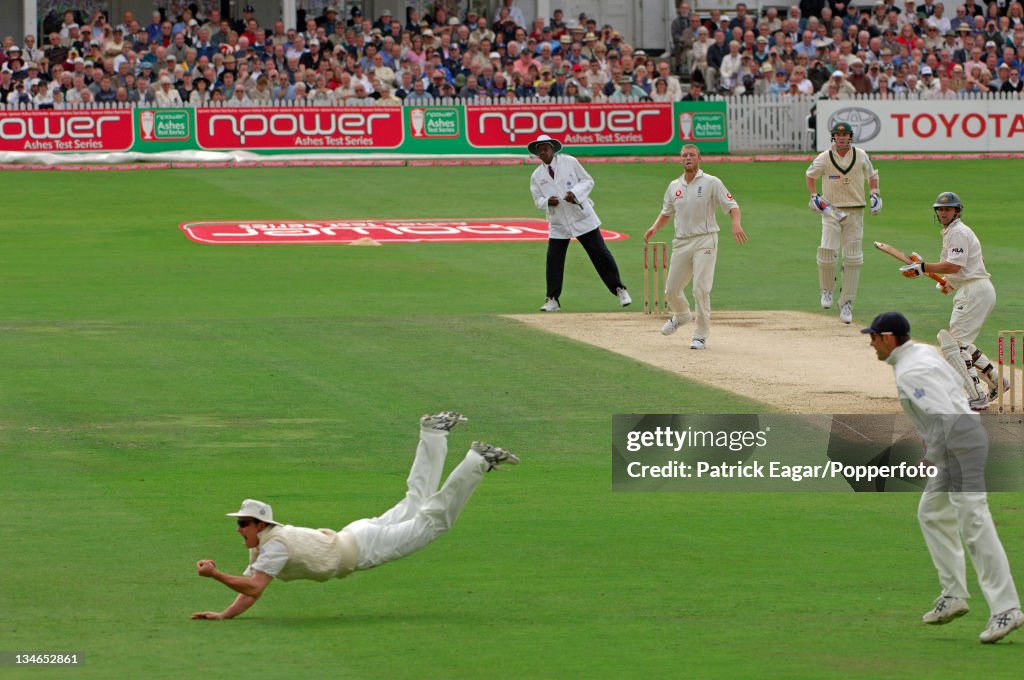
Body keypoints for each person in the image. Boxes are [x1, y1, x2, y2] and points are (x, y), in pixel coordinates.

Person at [192, 412, 518, 620]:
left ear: (261, 524)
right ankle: (433, 434)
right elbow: (251, 590)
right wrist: (224, 615)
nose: (239, 528)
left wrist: (216, 575)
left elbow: (254, 587)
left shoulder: (275, 546)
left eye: (243, 523)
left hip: (362, 548)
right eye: (239, 523)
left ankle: (477, 461)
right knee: (418, 501)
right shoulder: (262, 546)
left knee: (433, 522)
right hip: (356, 534)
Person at [861, 311, 1023, 643]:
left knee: (974, 522)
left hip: (960, 443)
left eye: (874, 337)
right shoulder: (919, 352)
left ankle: (1006, 609)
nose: (871, 343)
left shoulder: (911, 370)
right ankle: (954, 596)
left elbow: (945, 414)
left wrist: (932, 456)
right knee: (932, 513)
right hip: (959, 439)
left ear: (889, 338)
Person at [897, 192, 1006, 411]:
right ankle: (996, 381)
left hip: (974, 291)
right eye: (940, 209)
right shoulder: (954, 233)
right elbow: (964, 267)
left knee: (951, 345)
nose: (943, 213)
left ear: (957, 211)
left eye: (947, 209)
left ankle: (977, 397)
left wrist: (923, 267)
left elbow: (954, 266)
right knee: (959, 344)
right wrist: (949, 282)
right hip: (975, 289)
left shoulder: (958, 232)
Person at [643, 144, 747, 350]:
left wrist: (736, 223)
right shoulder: (674, 186)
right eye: (684, 156)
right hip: (681, 242)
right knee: (671, 291)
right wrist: (654, 227)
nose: (688, 158)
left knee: (700, 289)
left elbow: (733, 206)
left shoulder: (711, 182)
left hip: (705, 240)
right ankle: (681, 315)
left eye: (691, 155)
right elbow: (667, 212)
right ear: (680, 160)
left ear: (699, 158)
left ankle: (700, 335)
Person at [528, 134, 631, 312]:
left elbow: (588, 180)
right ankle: (552, 299)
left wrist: (575, 193)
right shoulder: (537, 175)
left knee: (600, 254)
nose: (543, 152)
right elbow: (537, 200)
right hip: (559, 222)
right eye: (539, 150)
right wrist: (547, 202)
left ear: (552, 148)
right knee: (553, 260)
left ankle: (619, 289)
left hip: (581, 216)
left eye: (545, 148)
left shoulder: (570, 162)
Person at [805, 121, 881, 325]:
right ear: (833, 137)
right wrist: (814, 196)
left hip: (855, 212)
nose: (841, 138)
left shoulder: (861, 155)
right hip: (831, 211)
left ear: (850, 137)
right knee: (827, 253)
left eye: (845, 135)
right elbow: (810, 175)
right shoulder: (824, 157)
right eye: (838, 135)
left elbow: (872, 176)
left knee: (853, 259)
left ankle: (847, 303)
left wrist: (875, 195)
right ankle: (827, 290)